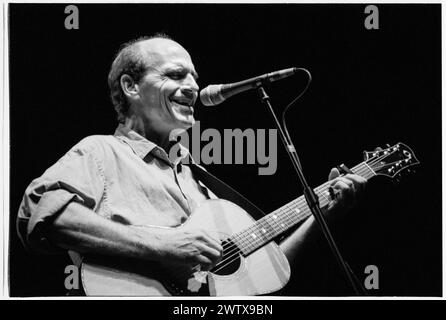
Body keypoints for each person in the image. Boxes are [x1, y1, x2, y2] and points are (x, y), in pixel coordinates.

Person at [16, 34, 366, 295]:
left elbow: (261, 279)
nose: (193, 87)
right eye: (176, 75)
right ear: (131, 86)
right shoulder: (102, 152)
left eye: (194, 78)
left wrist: (324, 215)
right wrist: (164, 246)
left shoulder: (200, 181)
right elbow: (41, 216)